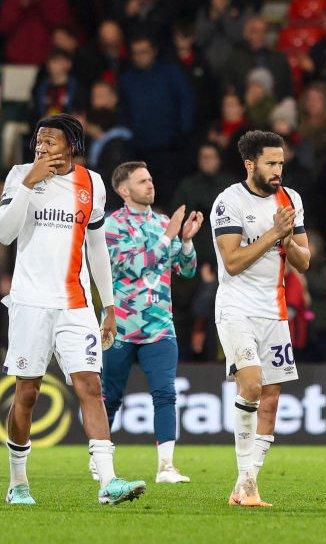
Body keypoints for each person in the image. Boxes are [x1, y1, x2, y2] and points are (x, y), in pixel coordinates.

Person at [0, 113, 145, 505]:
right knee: (27, 393)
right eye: (38, 142)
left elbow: (96, 247)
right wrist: (29, 184)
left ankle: (108, 481)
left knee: (90, 387)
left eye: (50, 142)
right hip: (30, 302)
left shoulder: (92, 183)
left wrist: (108, 305)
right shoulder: (19, 176)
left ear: (71, 146)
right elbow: (4, 233)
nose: (41, 148)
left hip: (75, 305)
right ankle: (18, 482)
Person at [210, 130, 310, 507]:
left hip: (275, 310)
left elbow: (304, 261)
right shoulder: (229, 201)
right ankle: (247, 485)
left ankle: (246, 484)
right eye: (270, 163)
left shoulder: (291, 199)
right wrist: (274, 233)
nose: (277, 170)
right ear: (249, 164)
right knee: (250, 385)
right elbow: (232, 263)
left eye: (281, 163)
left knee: (269, 400)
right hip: (236, 306)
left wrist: (286, 239)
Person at [102, 161, 200, 483]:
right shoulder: (111, 226)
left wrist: (185, 241)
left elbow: (185, 270)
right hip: (121, 328)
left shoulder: (162, 222)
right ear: (124, 190)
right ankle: (100, 457)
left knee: (165, 394)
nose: (150, 185)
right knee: (110, 396)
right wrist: (167, 237)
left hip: (159, 325)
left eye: (151, 179)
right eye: (142, 181)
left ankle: (166, 467)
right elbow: (128, 266)